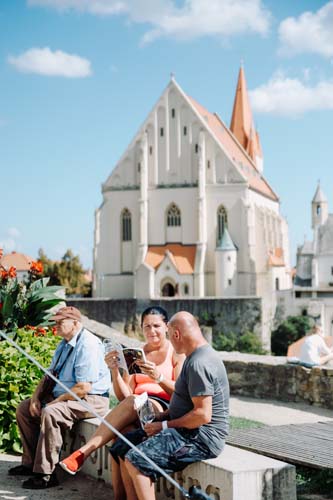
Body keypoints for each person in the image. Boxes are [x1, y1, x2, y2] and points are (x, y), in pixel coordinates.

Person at [59, 305, 185, 499]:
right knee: (122, 437)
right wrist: (114, 371)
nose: (151, 331)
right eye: (146, 326)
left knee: (135, 402)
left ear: (166, 326)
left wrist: (158, 377)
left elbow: (182, 393)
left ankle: (84, 452)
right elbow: (123, 396)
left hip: (163, 407)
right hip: (135, 406)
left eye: (156, 326)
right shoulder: (137, 353)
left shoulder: (175, 353)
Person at [110, 311, 230, 500]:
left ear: (176, 334)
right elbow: (185, 402)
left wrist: (163, 426)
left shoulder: (200, 363)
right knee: (122, 445)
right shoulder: (194, 356)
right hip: (185, 429)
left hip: (201, 439)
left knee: (136, 460)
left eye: (169, 335)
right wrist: (162, 416)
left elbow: (202, 415)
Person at [8, 306, 111, 489]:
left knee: (51, 412)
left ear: (75, 323)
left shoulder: (87, 344)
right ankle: (30, 463)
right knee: (24, 409)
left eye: (60, 322)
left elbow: (83, 387)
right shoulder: (64, 342)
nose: (55, 326)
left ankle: (46, 473)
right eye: (55, 322)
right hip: (68, 396)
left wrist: (54, 402)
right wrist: (35, 398)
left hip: (91, 399)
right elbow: (50, 375)